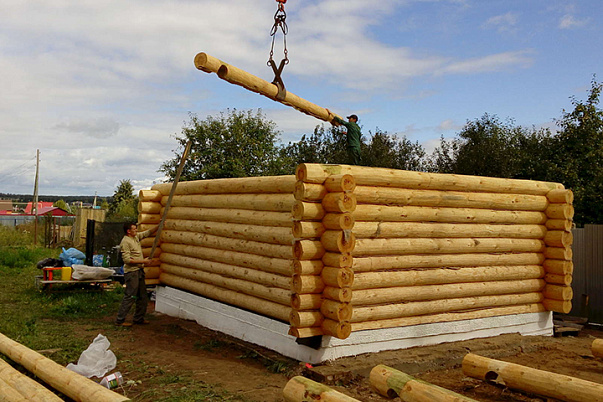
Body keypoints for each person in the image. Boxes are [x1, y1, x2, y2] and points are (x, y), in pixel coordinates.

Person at [115, 222, 160, 327]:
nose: (136, 231)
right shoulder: (125, 242)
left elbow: (147, 233)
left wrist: (159, 226)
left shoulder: (135, 237)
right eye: (134, 229)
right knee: (130, 296)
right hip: (132, 273)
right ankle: (120, 320)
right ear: (128, 231)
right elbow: (127, 260)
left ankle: (138, 318)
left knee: (143, 296)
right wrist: (143, 261)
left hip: (139, 271)